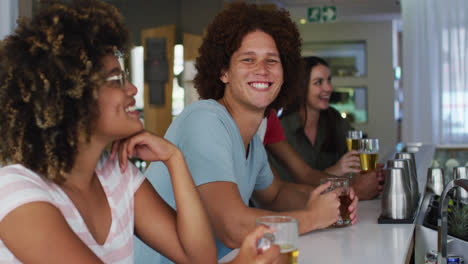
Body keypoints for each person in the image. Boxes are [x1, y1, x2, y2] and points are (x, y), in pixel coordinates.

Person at [0, 1, 281, 263]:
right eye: (115, 80)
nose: (132, 89)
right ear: (70, 97)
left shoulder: (117, 175)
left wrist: (174, 159)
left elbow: (199, 257)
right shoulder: (17, 192)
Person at [140, 3, 359, 262]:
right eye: (248, 59)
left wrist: (332, 197)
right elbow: (232, 227)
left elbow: (276, 194)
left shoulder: (252, 142)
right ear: (223, 72)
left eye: (272, 60)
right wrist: (313, 217)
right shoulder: (205, 120)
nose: (262, 69)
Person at [268, 56, 384, 200]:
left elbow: (358, 163)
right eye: (318, 82)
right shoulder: (281, 128)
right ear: (301, 88)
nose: (328, 88)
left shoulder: (334, 119)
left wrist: (370, 174)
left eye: (329, 80)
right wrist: (337, 171)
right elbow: (288, 187)